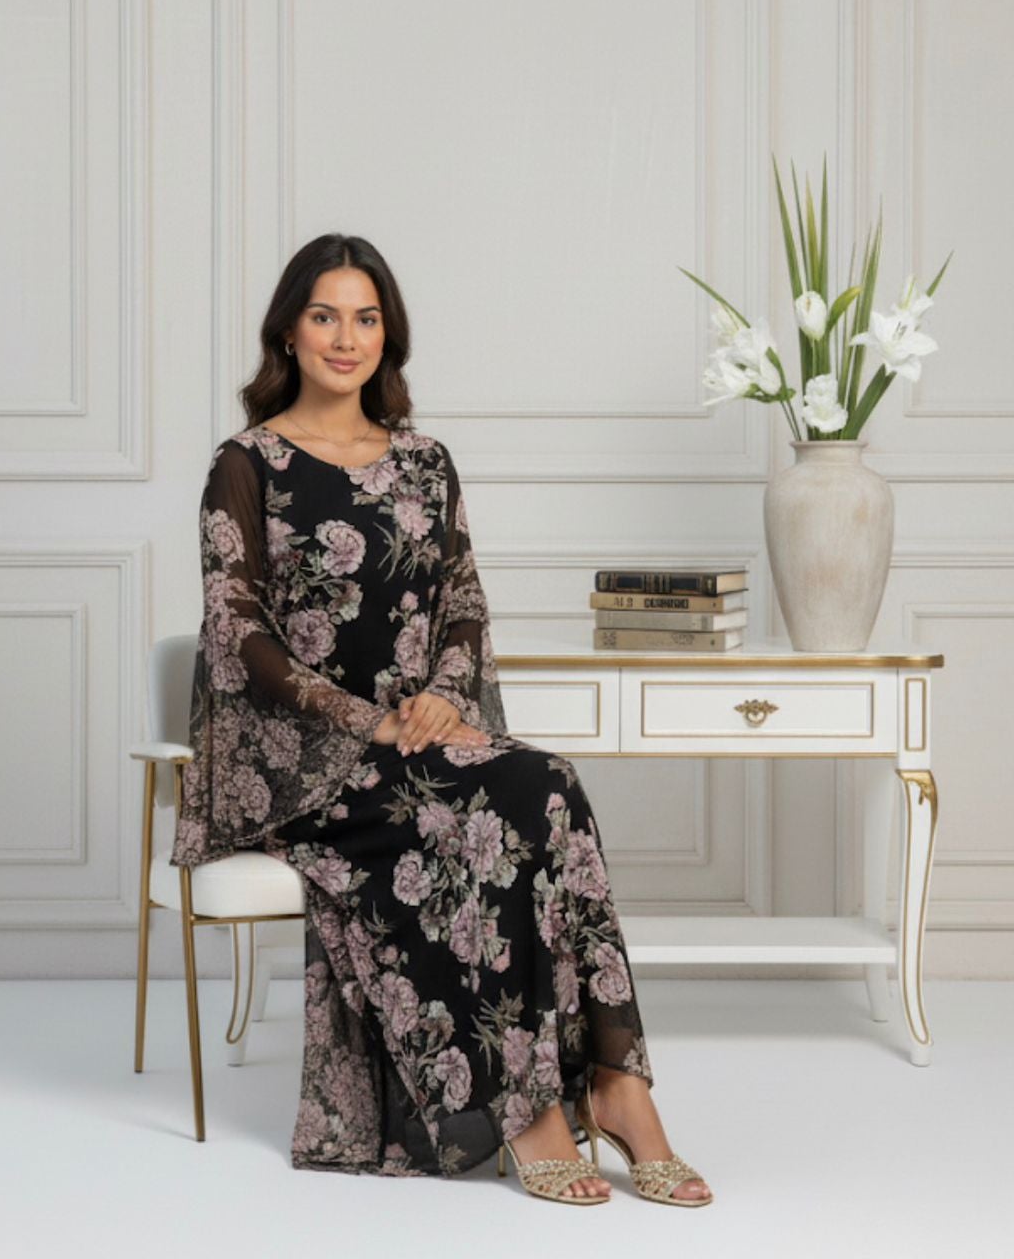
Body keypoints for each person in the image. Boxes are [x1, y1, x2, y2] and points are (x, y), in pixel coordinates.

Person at [170, 233, 712, 1207]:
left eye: (366, 317)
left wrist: (444, 696)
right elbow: (236, 630)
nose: (346, 337)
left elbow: (462, 600)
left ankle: (619, 1084)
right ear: (288, 331)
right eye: (325, 316)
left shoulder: (425, 462)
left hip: (418, 739)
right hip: (305, 766)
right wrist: (362, 720)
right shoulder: (245, 464)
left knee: (547, 784)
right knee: (475, 815)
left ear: (390, 334)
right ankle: (530, 1107)